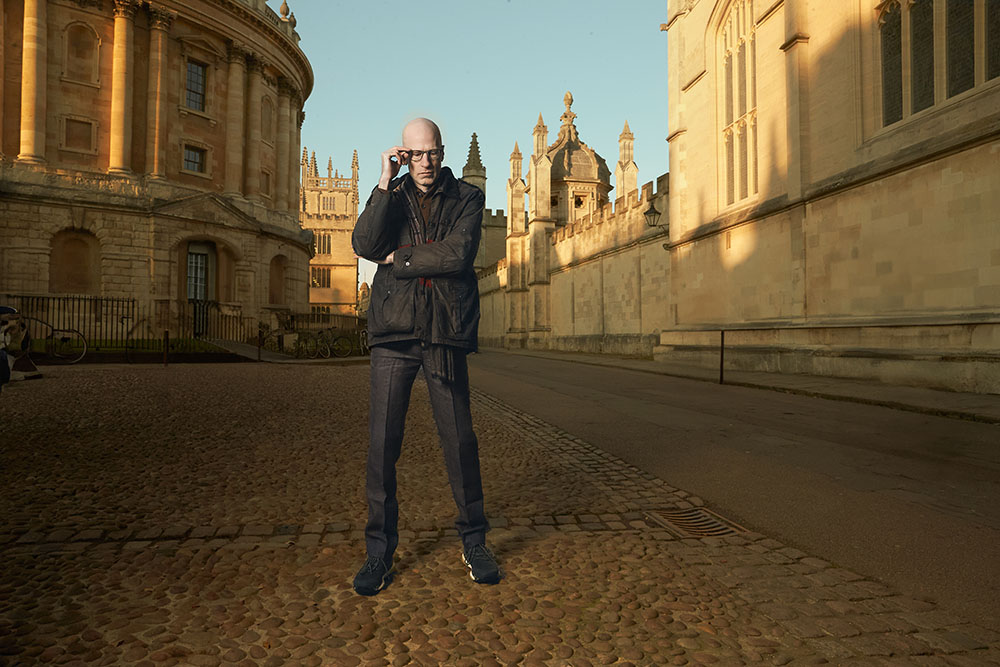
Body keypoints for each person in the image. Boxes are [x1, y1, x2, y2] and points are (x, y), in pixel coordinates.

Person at [350, 118, 500, 596]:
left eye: (432, 152)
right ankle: (378, 553)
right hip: (394, 334)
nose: (426, 162)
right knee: (382, 447)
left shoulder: (467, 198)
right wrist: (380, 183)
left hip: (444, 332)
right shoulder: (390, 196)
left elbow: (458, 254)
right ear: (403, 156)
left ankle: (474, 541)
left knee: (460, 443)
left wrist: (404, 259)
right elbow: (366, 245)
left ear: (442, 150)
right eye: (415, 155)